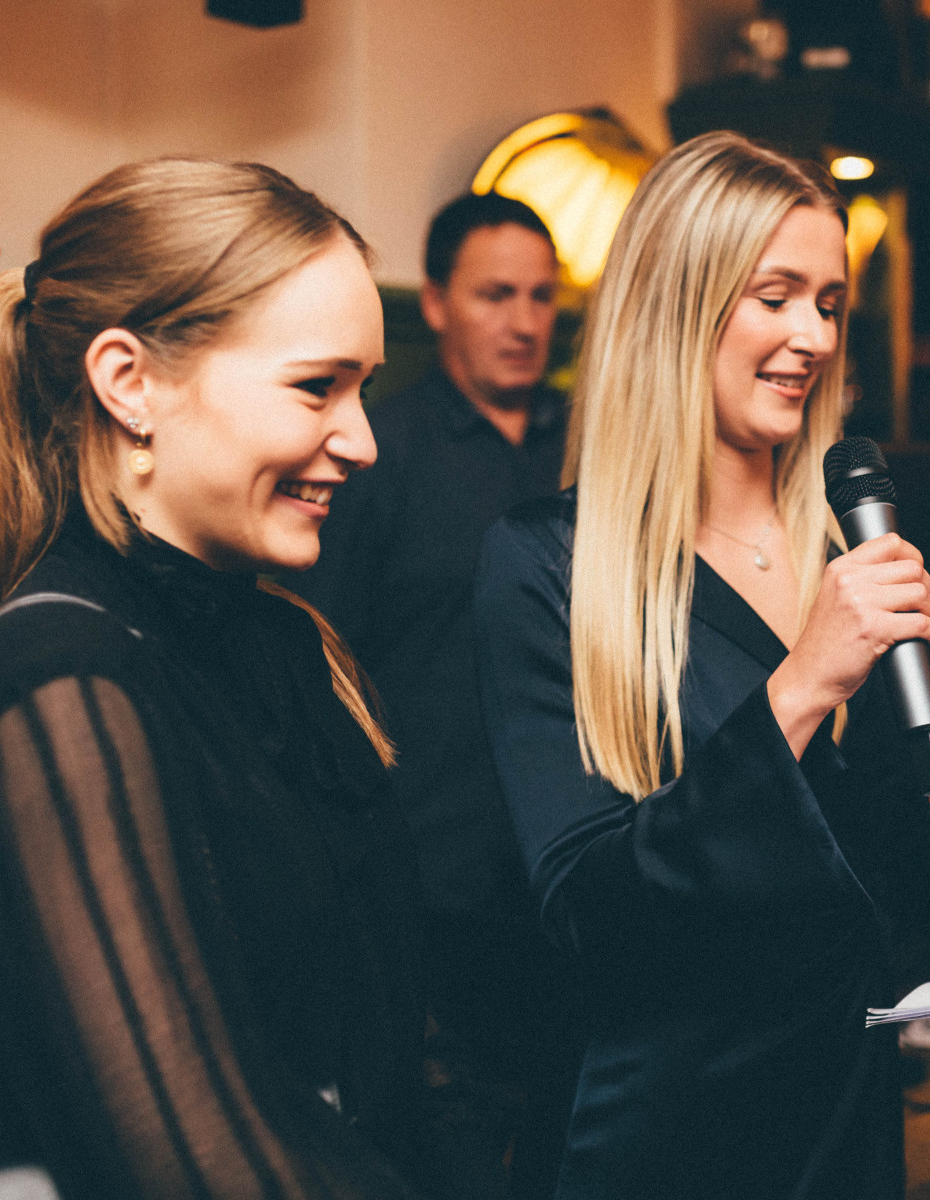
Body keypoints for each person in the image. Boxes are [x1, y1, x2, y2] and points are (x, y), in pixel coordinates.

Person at [474, 131, 930, 1200]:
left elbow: (888, 855)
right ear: (677, 303)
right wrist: (800, 687)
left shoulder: (843, 548)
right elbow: (592, 925)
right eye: (776, 296)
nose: (813, 337)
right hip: (659, 1142)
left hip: (839, 1124)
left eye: (831, 303)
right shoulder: (545, 565)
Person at [0, 158, 429, 1200]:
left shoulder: (285, 647)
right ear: (129, 382)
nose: (362, 441)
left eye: (362, 389)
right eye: (317, 386)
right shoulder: (55, 682)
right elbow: (190, 1161)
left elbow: (385, 1046)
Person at [292, 192, 574, 1198]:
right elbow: (323, 658)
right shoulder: (378, 450)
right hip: (435, 881)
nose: (524, 320)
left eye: (541, 296)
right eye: (496, 294)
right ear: (441, 302)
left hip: (571, 874)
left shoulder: (589, 440)